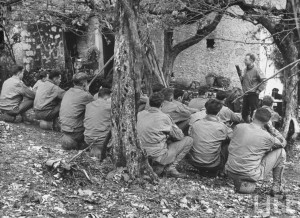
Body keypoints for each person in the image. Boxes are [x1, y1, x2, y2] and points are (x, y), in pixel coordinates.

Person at [225, 108, 286, 195]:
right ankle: (277, 186)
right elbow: (283, 143)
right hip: (250, 175)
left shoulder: (238, 127)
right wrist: (271, 128)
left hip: (230, 171)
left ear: (253, 116)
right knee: (281, 152)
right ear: (267, 121)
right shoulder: (267, 136)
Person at [137, 92, 193, 178]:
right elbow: (180, 136)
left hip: (139, 154)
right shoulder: (165, 117)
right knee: (189, 140)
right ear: (162, 104)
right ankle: (171, 168)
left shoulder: (139, 114)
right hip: (157, 157)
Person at [188, 99, 233, 174]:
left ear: (206, 110)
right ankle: (223, 171)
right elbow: (233, 138)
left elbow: (190, 134)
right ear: (218, 112)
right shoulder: (222, 126)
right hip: (213, 165)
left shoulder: (195, 123)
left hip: (194, 162)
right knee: (228, 143)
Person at [60, 72, 94, 150]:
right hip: (75, 131)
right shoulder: (86, 95)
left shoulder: (67, 92)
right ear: (84, 84)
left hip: (64, 128)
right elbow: (96, 107)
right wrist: (87, 91)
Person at [238, 53, 266, 122]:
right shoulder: (245, 70)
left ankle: (254, 127)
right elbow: (245, 81)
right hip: (246, 94)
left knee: (254, 112)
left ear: (251, 61)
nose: (244, 61)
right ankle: (246, 126)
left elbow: (264, 81)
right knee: (244, 112)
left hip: (253, 94)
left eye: (246, 60)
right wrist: (241, 78)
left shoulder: (257, 70)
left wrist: (258, 90)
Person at [84, 88, 111, 158]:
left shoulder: (88, 105)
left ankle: (94, 150)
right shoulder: (109, 106)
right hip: (102, 141)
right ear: (107, 97)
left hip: (88, 139)